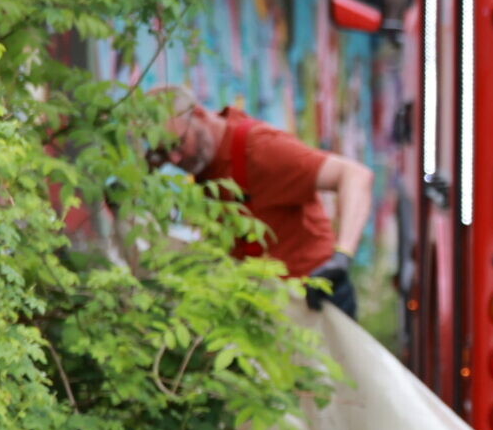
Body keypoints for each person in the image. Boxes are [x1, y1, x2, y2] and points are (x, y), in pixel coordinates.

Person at [155, 87, 373, 318]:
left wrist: (342, 256)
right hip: (264, 308)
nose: (174, 159)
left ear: (198, 115)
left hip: (314, 300)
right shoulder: (204, 158)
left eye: (177, 143)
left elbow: (355, 176)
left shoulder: (260, 149)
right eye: (163, 152)